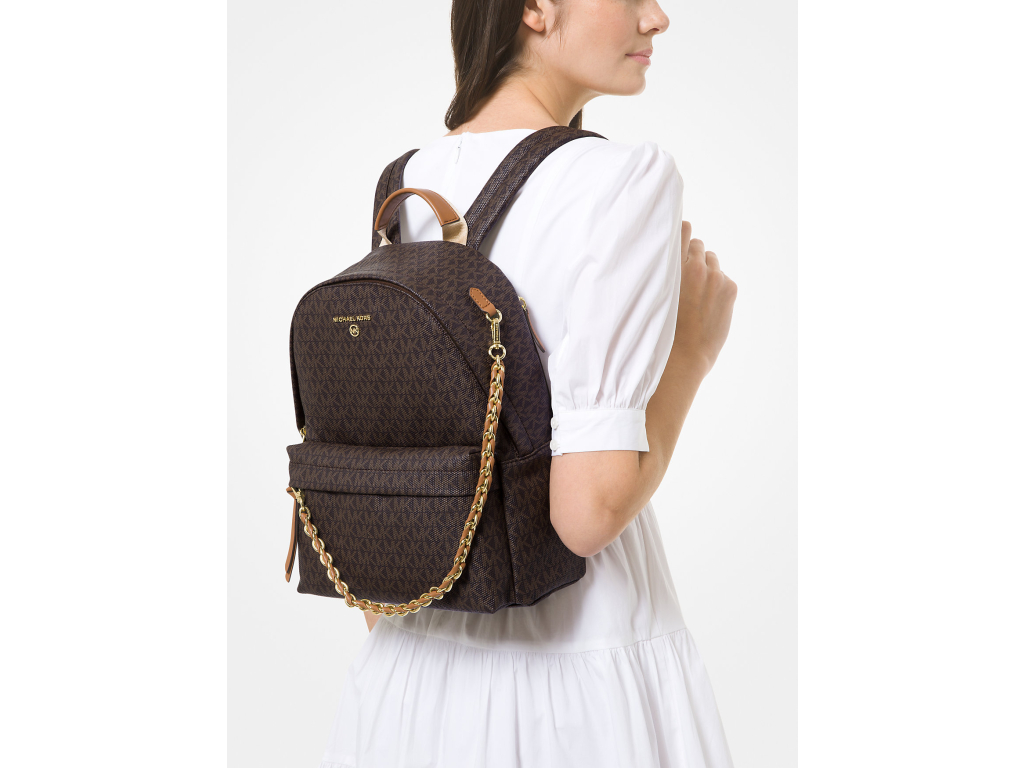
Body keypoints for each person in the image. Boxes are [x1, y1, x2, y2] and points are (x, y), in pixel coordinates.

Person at [319, 0, 738, 765]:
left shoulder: (405, 183)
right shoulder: (620, 180)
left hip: (403, 680)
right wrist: (690, 356)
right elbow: (586, 515)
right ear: (536, 8)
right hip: (573, 682)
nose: (657, 18)